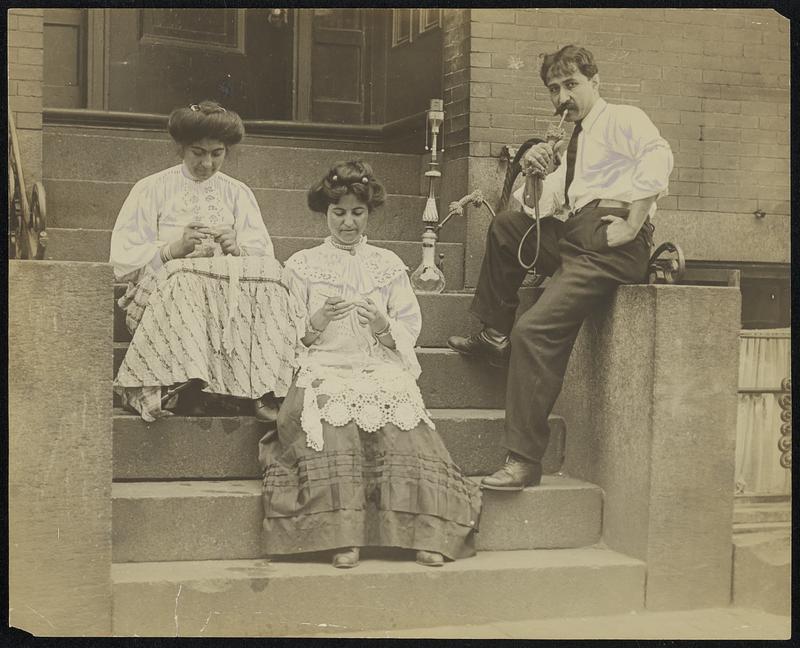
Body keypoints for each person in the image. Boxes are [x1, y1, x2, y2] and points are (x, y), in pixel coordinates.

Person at [448, 45, 674, 490]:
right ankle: (495, 333)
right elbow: (535, 211)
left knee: (533, 332)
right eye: (554, 88)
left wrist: (633, 223)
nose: (562, 96)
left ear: (594, 83)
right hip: (576, 233)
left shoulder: (623, 118)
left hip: (610, 240)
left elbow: (659, 156)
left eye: (571, 84)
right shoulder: (570, 141)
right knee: (509, 227)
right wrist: (534, 175)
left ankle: (524, 461)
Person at [259, 160, 481, 569]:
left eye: (357, 213)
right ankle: (343, 535)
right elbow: (283, 337)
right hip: (322, 366)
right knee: (331, 423)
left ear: (369, 213)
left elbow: (407, 329)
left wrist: (382, 326)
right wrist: (316, 322)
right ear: (325, 213)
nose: (347, 223)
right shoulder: (301, 266)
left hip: (375, 366)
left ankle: (427, 531)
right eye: (338, 213)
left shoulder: (388, 264)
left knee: (405, 419)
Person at [111, 100, 295, 422]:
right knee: (185, 275)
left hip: (226, 302)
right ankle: (189, 384)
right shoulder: (152, 188)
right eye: (197, 152)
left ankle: (261, 385)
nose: (207, 164)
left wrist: (237, 248)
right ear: (180, 148)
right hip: (164, 296)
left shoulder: (237, 193)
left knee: (274, 276)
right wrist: (171, 249)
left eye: (217, 153)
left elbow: (263, 255)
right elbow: (123, 258)